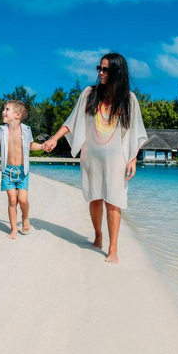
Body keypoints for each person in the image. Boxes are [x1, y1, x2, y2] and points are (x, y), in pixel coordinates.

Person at [43, 53, 147, 263]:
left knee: (114, 201)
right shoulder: (89, 94)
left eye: (105, 69)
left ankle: (113, 248)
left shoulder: (129, 99)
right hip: (91, 155)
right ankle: (98, 236)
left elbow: (135, 132)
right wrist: (54, 138)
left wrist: (132, 158)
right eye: (99, 68)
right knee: (95, 198)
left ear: (117, 71)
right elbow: (72, 121)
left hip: (117, 157)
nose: (100, 72)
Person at [0, 100, 43, 239]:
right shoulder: (2, 130)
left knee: (22, 200)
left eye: (7, 109)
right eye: (4, 109)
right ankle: (14, 229)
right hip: (7, 171)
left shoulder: (27, 130)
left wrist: (42, 146)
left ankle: (25, 217)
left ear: (17, 115)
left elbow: (31, 145)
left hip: (22, 171)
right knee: (12, 200)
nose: (3, 111)